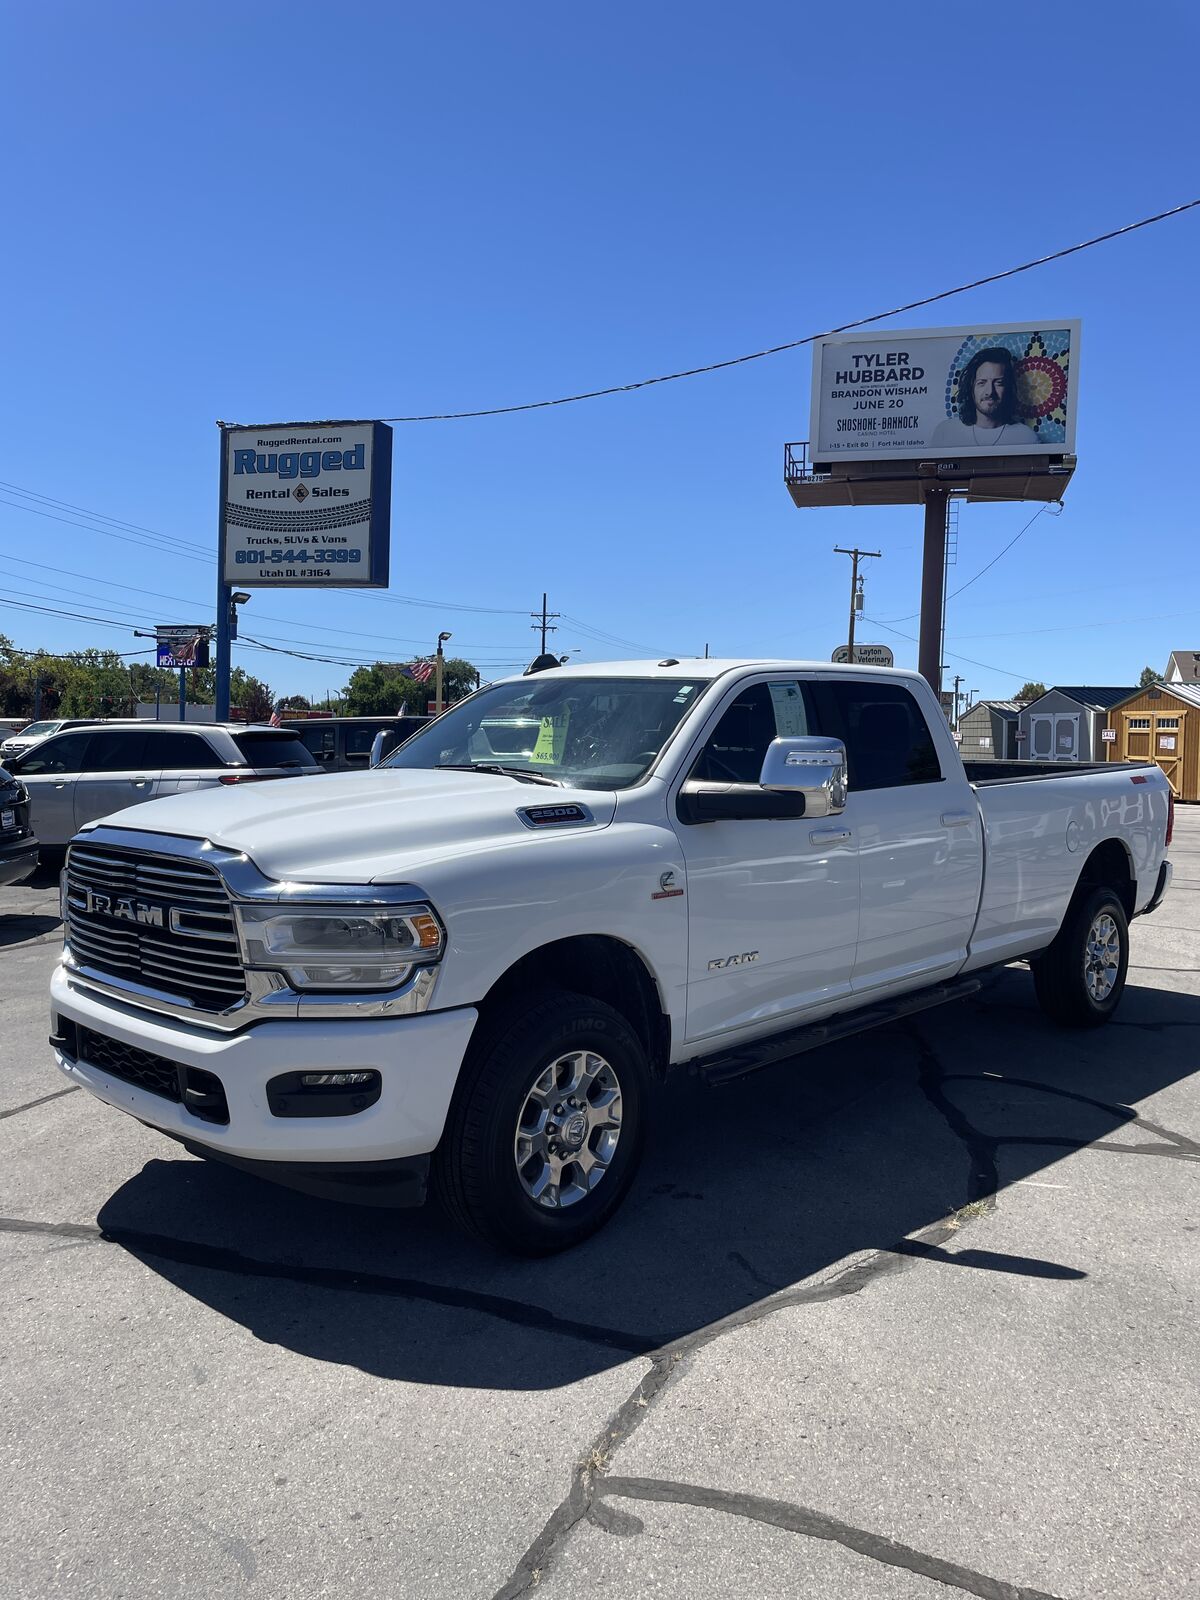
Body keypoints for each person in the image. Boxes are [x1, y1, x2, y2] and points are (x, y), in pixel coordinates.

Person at [930, 347, 1039, 448]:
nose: (990, 392)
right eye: (982, 383)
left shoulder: (1027, 438)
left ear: (1009, 388)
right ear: (971, 388)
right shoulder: (945, 432)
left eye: (998, 383)